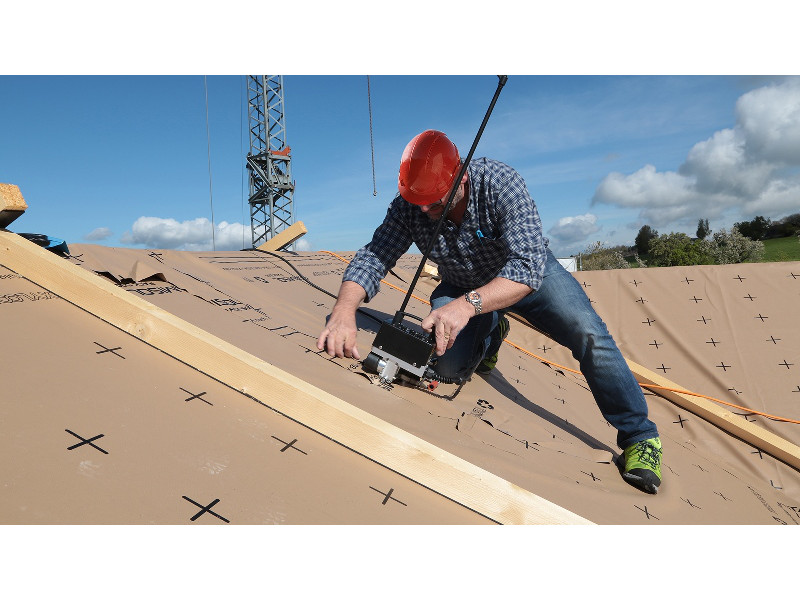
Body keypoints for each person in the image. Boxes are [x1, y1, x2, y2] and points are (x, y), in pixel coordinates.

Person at [317, 129, 663, 494]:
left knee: (587, 331)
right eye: (418, 203)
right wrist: (343, 310)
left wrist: (468, 306)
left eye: (435, 204)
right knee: (447, 366)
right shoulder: (413, 203)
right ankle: (491, 333)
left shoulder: (501, 183)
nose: (424, 212)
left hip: (526, 277)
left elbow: (528, 268)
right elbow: (377, 254)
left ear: (461, 178)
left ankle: (640, 436)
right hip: (460, 283)